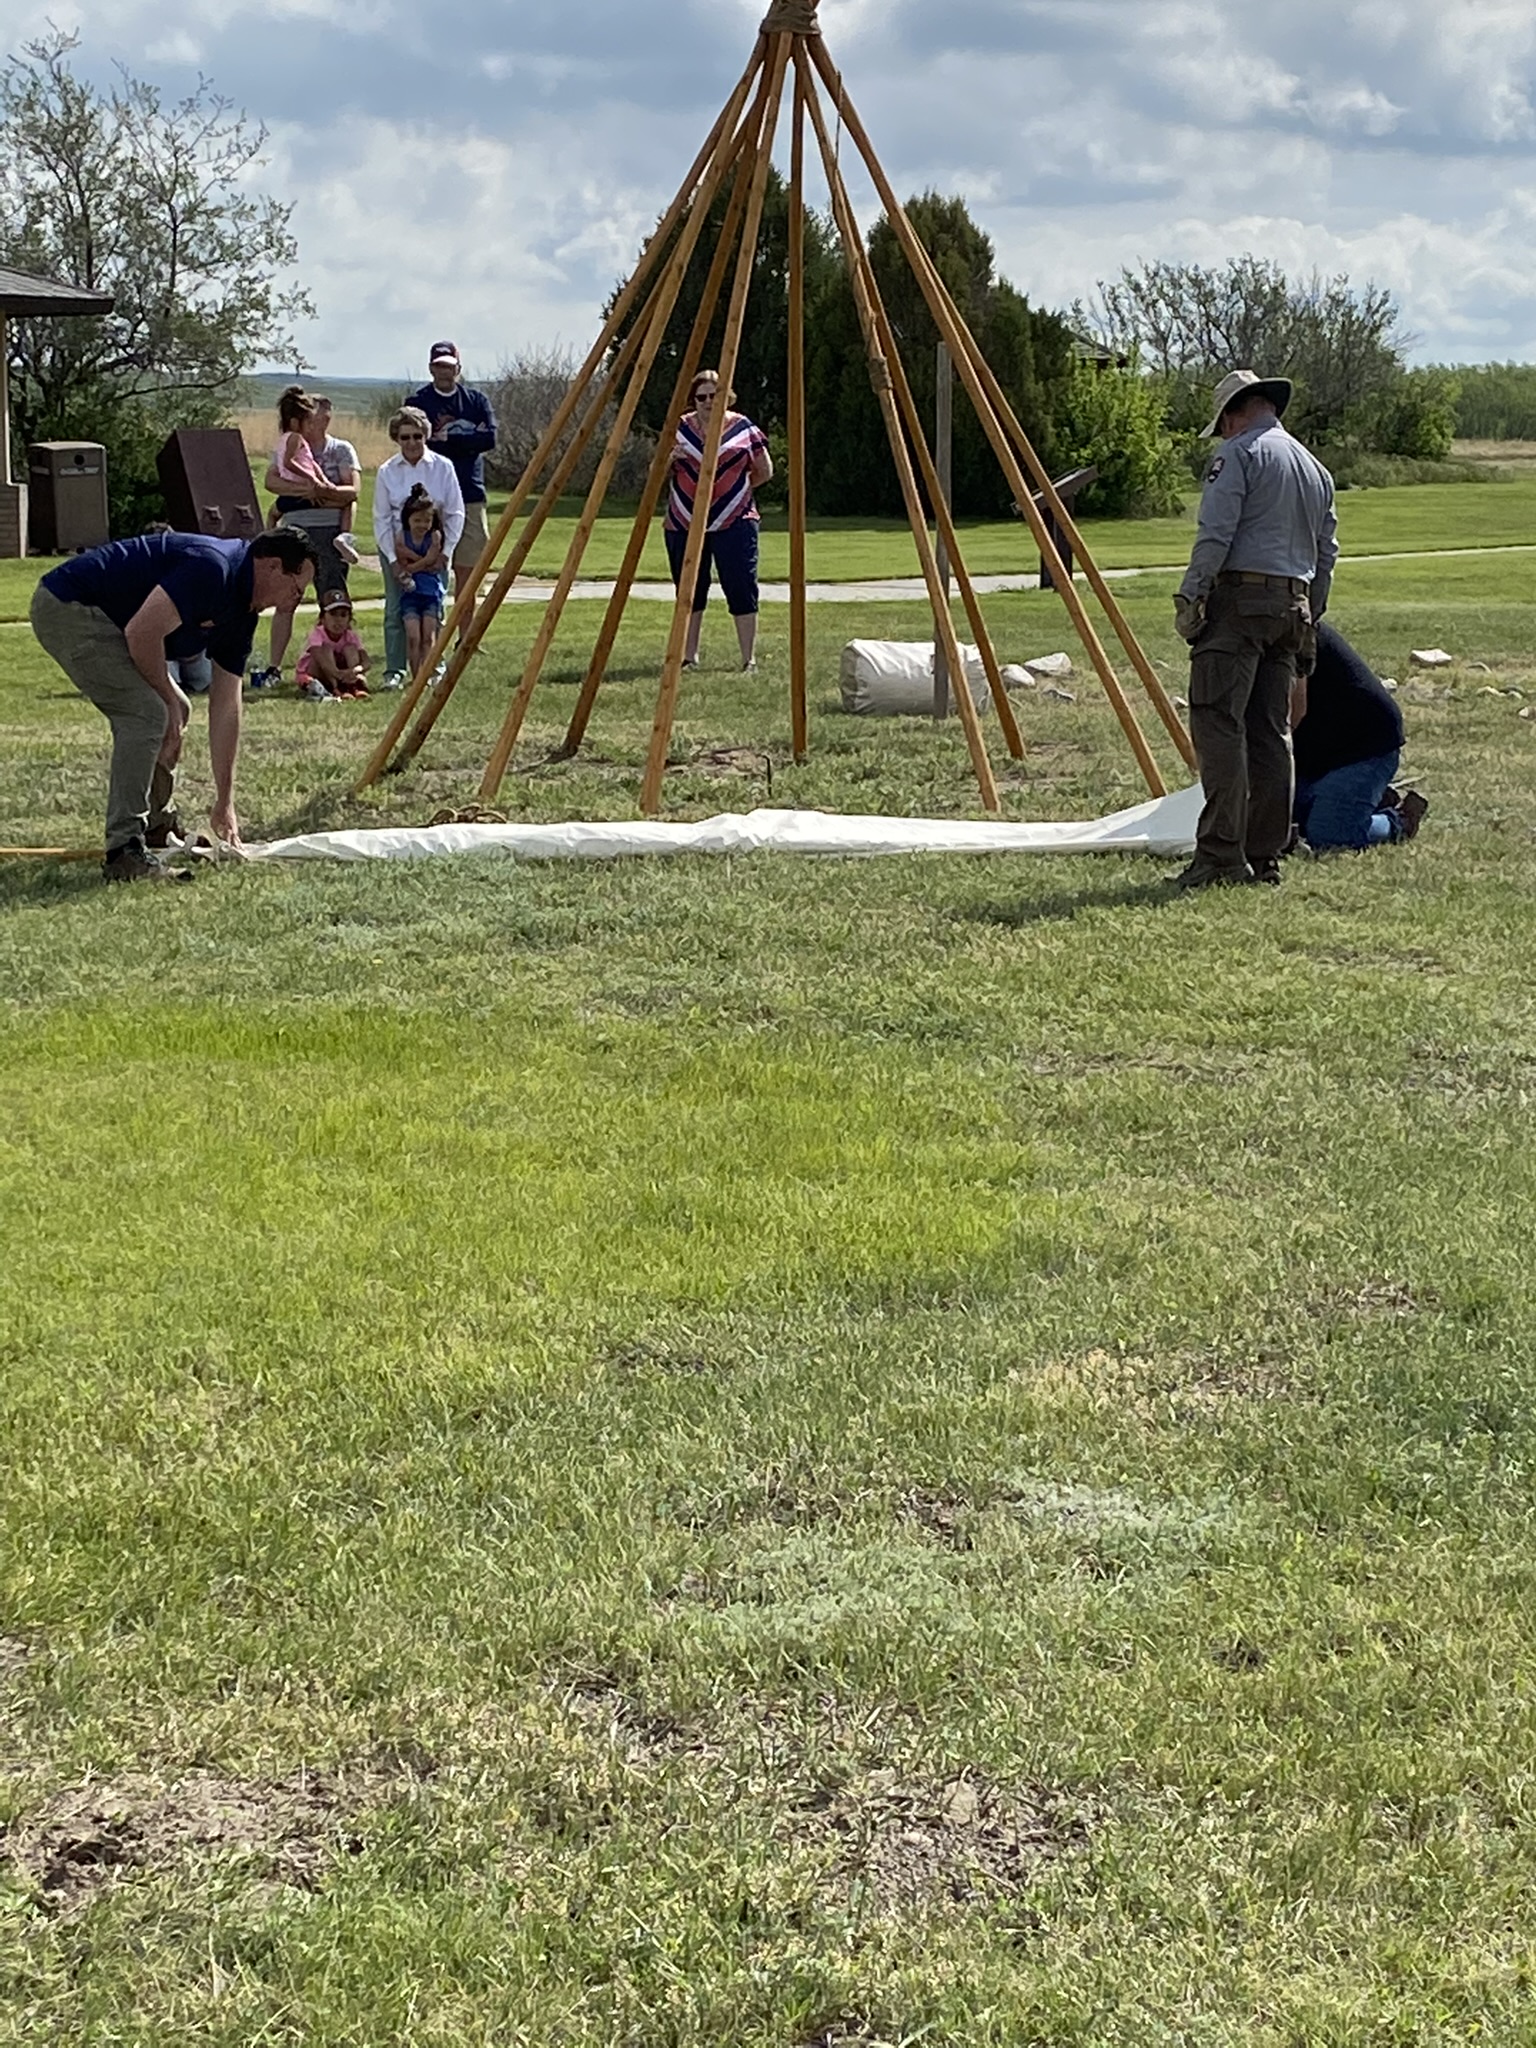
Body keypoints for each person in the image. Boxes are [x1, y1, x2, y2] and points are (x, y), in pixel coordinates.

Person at [30, 525, 319, 880]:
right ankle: (124, 851)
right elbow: (142, 632)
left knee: (176, 707)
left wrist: (224, 801)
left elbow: (227, 705)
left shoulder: (242, 612)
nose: (296, 600)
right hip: (69, 605)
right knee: (148, 713)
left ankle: (156, 827)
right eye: (296, 588)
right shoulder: (214, 568)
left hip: (113, 620)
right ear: (272, 566)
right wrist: (166, 700)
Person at [1172, 367, 1339, 890]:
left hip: (1240, 601)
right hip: (1294, 607)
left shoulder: (1237, 454)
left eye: (1221, 423)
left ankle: (1220, 855)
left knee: (1219, 722)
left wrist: (1193, 593)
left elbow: (1216, 531)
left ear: (1234, 413)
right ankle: (1264, 854)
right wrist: (1313, 612)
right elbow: (1326, 554)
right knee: (1272, 732)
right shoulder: (1315, 469)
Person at [252, 391, 362, 690]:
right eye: (311, 415)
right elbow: (271, 482)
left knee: (333, 600)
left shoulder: (341, 449)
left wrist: (316, 495)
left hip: (329, 533)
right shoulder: (291, 444)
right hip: (296, 531)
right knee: (286, 600)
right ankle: (275, 668)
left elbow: (352, 491)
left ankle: (342, 668)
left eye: (321, 415)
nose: (317, 420)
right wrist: (309, 494)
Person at [665, 369, 773, 672]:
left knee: (741, 585)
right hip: (684, 521)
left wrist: (736, 492)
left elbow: (764, 470)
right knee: (689, 588)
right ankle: (688, 656)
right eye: (702, 397)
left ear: (727, 397)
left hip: (735, 520)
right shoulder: (679, 428)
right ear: (693, 400)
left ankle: (748, 659)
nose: (709, 402)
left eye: (716, 396)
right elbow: (657, 472)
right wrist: (668, 460)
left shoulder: (743, 428)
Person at [1291, 622, 1427, 850]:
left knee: (1329, 835)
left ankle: (1399, 820)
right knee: (1282, 823)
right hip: (1315, 753)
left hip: (1362, 750)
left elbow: (1294, 711)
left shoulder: (1295, 631)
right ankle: (1371, 799)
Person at [408, 342, 497, 633]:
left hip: (470, 493)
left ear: (458, 368)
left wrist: (450, 441)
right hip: (430, 497)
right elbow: (421, 443)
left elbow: (489, 439)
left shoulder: (476, 401)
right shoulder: (418, 402)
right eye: (439, 365)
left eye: (449, 365)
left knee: (469, 570)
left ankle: (465, 636)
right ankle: (431, 637)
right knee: (431, 566)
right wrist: (466, 440)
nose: (444, 371)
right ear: (431, 367)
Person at [372, 406, 464, 688]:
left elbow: (455, 512)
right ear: (397, 439)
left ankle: (434, 668)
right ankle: (395, 671)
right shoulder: (387, 471)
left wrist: (445, 553)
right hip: (399, 549)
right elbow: (381, 518)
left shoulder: (443, 467)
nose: (411, 443)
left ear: (426, 436)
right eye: (405, 437)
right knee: (395, 610)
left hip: (434, 549)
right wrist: (392, 559)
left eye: (417, 436)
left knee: (433, 609)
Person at [395, 485, 448, 682]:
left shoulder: (434, 536)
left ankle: (427, 675)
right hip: (410, 594)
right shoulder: (402, 536)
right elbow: (406, 559)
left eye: (427, 520)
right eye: (417, 520)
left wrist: (412, 566)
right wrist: (422, 563)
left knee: (428, 637)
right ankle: (416, 678)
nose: (422, 525)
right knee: (413, 637)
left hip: (431, 594)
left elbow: (431, 559)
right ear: (408, 519)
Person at [295, 593, 372, 701]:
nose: (338, 620)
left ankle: (354, 685)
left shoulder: (350, 636)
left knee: (350, 648)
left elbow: (366, 661)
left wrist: (355, 670)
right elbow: (320, 658)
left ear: (349, 619)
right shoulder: (317, 634)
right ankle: (337, 687)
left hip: (342, 672)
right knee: (326, 649)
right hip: (316, 672)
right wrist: (338, 674)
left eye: (343, 615)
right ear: (322, 618)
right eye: (333, 614)